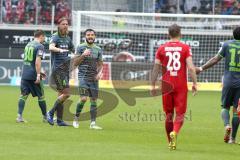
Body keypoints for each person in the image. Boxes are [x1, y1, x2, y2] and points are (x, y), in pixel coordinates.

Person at [151, 24, 197, 150]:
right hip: (180, 85)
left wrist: (153, 85)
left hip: (166, 85)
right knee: (180, 114)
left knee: (169, 115)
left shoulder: (161, 48)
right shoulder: (185, 48)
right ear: (180, 33)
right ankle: (175, 132)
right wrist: (195, 83)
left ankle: (170, 142)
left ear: (168, 34)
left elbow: (156, 68)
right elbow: (191, 68)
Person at [196, 26, 240, 144]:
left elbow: (215, 59)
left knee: (225, 107)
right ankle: (233, 139)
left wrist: (201, 68)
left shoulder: (226, 44)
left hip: (228, 81)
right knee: (237, 111)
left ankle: (226, 126)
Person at [72, 29, 103, 130]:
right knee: (83, 99)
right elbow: (75, 63)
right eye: (88, 35)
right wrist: (83, 55)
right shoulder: (80, 47)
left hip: (94, 79)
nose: (90, 36)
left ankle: (93, 123)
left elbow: (100, 64)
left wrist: (99, 73)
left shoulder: (98, 49)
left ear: (95, 36)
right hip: (83, 77)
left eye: (92, 35)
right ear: (85, 36)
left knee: (93, 100)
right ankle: (76, 119)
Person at [47, 17, 74, 126]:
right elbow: (50, 47)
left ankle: (59, 120)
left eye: (67, 24)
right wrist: (60, 50)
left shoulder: (67, 38)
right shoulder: (55, 36)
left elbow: (73, 49)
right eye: (63, 24)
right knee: (67, 94)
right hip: (58, 70)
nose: (65, 25)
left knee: (61, 95)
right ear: (59, 25)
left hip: (66, 69)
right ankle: (50, 112)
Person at [16, 30, 47, 123]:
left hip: (25, 73)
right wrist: (38, 75)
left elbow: (30, 61)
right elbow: (37, 62)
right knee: (41, 96)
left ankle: (19, 116)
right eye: (44, 37)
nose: (44, 39)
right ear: (41, 36)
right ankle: (45, 117)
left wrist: (39, 72)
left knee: (23, 95)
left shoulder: (28, 45)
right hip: (33, 75)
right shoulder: (40, 46)